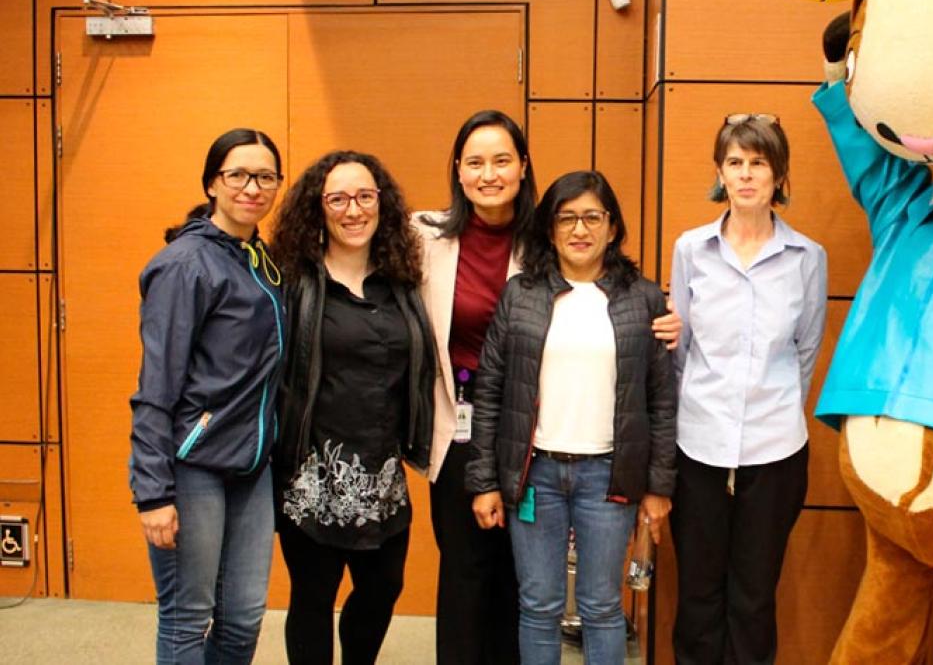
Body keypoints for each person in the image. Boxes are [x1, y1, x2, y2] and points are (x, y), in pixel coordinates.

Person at [413, 112, 679, 665]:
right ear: (458, 171)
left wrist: (657, 483)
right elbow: (485, 384)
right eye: (476, 162)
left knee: (586, 602)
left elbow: (657, 396)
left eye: (502, 160)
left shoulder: (626, 293)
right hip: (494, 444)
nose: (579, 230)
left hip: (594, 463)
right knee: (501, 590)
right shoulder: (441, 246)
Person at [667, 113, 827, 664]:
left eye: (759, 163)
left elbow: (806, 350)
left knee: (755, 597)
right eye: (735, 162)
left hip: (775, 447)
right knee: (698, 594)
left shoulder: (807, 257)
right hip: (698, 445)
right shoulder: (691, 249)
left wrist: (773, 407)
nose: (747, 174)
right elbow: (681, 352)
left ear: (779, 176)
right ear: (720, 173)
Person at [270, 151, 437, 665]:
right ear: (317, 209)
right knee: (313, 598)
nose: (353, 210)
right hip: (311, 473)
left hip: (382, 472)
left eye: (365, 196)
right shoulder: (295, 282)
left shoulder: (403, 281)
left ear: (381, 204)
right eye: (337, 198)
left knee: (384, 587)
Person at [129, 128, 285, 664]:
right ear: (212, 183)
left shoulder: (259, 259)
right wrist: (153, 492)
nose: (252, 187)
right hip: (193, 465)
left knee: (243, 620)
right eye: (238, 174)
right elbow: (155, 388)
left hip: (251, 467)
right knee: (187, 619)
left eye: (265, 176)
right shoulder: (185, 264)